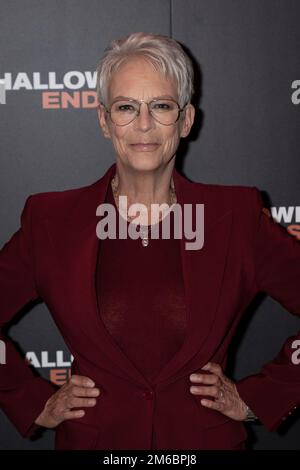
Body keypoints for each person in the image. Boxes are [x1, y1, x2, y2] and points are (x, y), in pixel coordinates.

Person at [0, 31, 300, 451]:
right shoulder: (51, 221)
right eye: (126, 107)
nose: (144, 124)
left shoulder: (236, 218)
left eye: (161, 106)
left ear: (186, 120)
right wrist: (31, 400)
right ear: (104, 121)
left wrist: (259, 397)